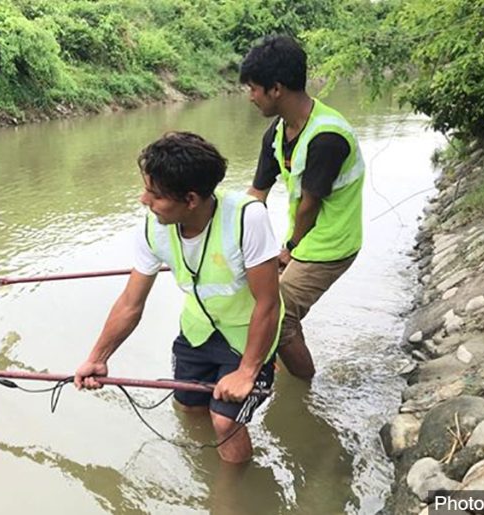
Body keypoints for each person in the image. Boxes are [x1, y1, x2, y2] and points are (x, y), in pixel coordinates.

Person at [74, 132, 283, 464]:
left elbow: (268, 303)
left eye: (155, 195)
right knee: (187, 405)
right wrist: (98, 356)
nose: (144, 200)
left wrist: (247, 371)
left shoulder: (247, 217)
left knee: (225, 420)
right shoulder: (154, 227)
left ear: (190, 199)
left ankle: (233, 492)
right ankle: (202, 465)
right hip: (198, 330)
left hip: (247, 336)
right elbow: (131, 302)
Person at [239, 35, 365, 381]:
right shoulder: (277, 133)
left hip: (331, 244)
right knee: (265, 301)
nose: (250, 96)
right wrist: (232, 242)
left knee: (277, 316)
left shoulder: (327, 137)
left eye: (253, 88)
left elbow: (309, 206)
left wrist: (289, 250)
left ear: (275, 88)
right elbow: (256, 194)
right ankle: (287, 359)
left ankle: (305, 386)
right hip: (302, 238)